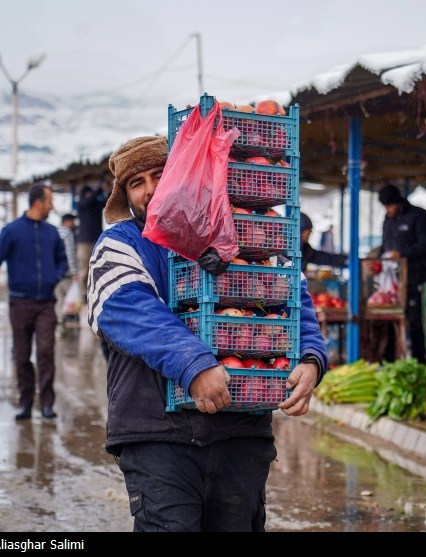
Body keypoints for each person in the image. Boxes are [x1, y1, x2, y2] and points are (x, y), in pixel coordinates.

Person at [87, 135, 328, 532]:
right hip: (157, 432)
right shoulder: (119, 244)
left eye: (158, 175)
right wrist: (194, 364)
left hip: (240, 429)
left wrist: (310, 357)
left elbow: (291, 295)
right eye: (136, 183)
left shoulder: (243, 236)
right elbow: (126, 309)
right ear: (126, 195)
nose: (149, 190)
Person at [0, 184, 68, 421]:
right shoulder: (12, 231)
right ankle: (25, 402)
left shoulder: (52, 232)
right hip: (20, 304)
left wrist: (54, 277)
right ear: (38, 202)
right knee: (22, 355)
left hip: (46, 303)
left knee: (46, 352)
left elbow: (63, 261)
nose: (51, 206)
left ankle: (47, 403)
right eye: (49, 201)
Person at [378, 183, 426, 364]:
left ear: (399, 202)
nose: (388, 211)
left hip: (415, 279)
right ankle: (389, 362)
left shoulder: (419, 217)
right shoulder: (388, 220)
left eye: (390, 206)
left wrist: (402, 254)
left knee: (415, 322)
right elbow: (384, 245)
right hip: (393, 282)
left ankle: (419, 361)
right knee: (390, 321)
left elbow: (425, 246)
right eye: (386, 207)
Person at [76, 179, 111, 298]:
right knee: (84, 270)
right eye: (88, 193)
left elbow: (108, 202)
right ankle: (83, 294)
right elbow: (89, 200)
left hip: (96, 240)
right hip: (84, 242)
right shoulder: (81, 203)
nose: (90, 195)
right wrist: (100, 188)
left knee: (98, 267)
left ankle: (95, 291)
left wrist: (108, 189)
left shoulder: (94, 204)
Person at [55, 213, 80, 329]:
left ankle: (59, 324)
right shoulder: (67, 233)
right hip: (67, 274)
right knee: (70, 301)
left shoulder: (54, 232)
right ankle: (68, 325)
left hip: (55, 273)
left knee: (59, 300)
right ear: (67, 221)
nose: (74, 224)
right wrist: (74, 271)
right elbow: (70, 253)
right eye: (72, 221)